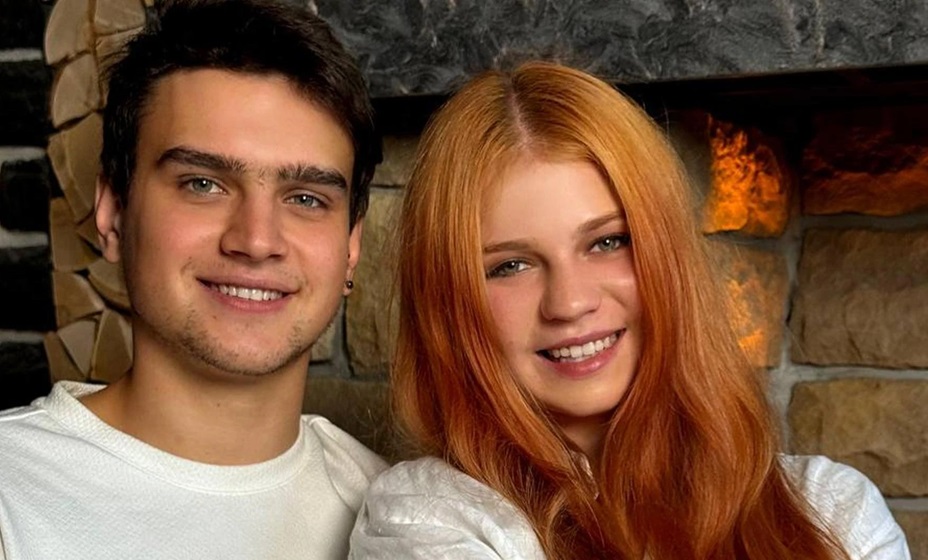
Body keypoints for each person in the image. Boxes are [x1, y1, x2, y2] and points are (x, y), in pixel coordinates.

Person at [350, 62, 910, 559]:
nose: (570, 303)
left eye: (608, 242)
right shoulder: (426, 518)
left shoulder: (834, 511)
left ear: (671, 256)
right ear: (449, 304)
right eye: (510, 266)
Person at [0, 0, 386, 558]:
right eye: (203, 184)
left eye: (305, 198)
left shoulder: (399, 515)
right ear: (113, 213)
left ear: (350, 247)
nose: (257, 240)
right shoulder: (13, 495)